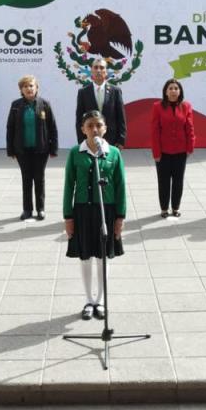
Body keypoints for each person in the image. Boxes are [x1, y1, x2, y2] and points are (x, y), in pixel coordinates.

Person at [63, 109, 127, 321]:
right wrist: (68, 217)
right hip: (82, 211)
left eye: (98, 125)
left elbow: (121, 186)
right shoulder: (75, 152)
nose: (95, 129)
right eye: (90, 126)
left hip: (105, 211)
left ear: (105, 128)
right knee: (85, 258)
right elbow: (68, 186)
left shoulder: (113, 153)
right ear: (83, 130)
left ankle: (100, 301)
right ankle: (88, 300)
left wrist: (120, 217)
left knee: (102, 258)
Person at [6, 74, 58, 221]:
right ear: (21, 90)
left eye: (31, 86)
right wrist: (10, 150)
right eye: (25, 86)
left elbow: (52, 127)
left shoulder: (44, 104)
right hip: (22, 150)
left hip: (40, 150)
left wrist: (53, 149)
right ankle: (27, 209)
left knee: (39, 179)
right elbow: (10, 128)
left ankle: (40, 209)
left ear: (36, 88)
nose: (29, 89)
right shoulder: (16, 105)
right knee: (26, 179)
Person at [150, 78, 195, 218]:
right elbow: (154, 130)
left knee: (178, 181)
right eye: (170, 88)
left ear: (180, 91)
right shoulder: (157, 106)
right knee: (163, 181)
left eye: (176, 88)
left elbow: (190, 128)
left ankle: (176, 208)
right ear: (165, 91)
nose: (173, 91)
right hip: (163, 152)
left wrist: (190, 147)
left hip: (181, 151)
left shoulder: (186, 106)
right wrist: (156, 152)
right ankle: (164, 208)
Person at [75, 58, 126, 147]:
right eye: (96, 67)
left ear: (106, 72)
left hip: (111, 141)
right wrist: (81, 141)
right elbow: (79, 119)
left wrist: (121, 140)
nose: (99, 70)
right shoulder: (83, 92)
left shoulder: (115, 91)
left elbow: (121, 117)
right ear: (91, 71)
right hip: (90, 140)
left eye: (102, 68)